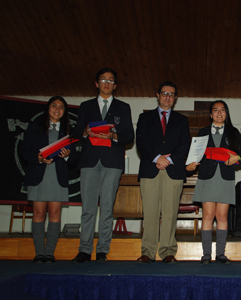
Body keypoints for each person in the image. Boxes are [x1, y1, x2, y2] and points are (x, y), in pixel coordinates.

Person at [72, 68, 134, 263]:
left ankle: (102, 251)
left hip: (112, 162)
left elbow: (129, 136)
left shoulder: (123, 107)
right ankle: (84, 250)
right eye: (103, 79)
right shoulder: (85, 106)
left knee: (107, 208)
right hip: (89, 161)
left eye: (110, 80)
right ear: (96, 83)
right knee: (88, 208)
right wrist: (85, 131)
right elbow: (74, 133)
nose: (106, 83)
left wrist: (113, 135)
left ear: (115, 85)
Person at [186, 100, 241, 264]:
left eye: (223, 110)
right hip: (207, 176)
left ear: (226, 113)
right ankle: (206, 254)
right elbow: (194, 153)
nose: (219, 113)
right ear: (210, 114)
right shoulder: (202, 132)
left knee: (222, 216)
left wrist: (238, 157)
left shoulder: (233, 132)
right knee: (208, 215)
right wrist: (191, 163)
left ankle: (220, 254)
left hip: (225, 177)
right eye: (215, 110)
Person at [136, 81, 191, 264]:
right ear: (157, 95)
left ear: (175, 99)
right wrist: (157, 158)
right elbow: (142, 143)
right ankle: (148, 252)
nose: (167, 96)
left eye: (171, 94)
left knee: (170, 213)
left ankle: (168, 251)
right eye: (164, 93)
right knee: (150, 213)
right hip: (150, 169)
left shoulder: (182, 120)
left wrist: (168, 159)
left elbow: (185, 145)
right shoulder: (145, 118)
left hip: (173, 171)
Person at [21, 96, 75, 263]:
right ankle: (39, 253)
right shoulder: (35, 127)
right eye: (54, 106)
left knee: (54, 214)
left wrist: (67, 156)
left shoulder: (67, 131)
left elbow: (74, 160)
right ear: (48, 108)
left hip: (57, 178)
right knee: (38, 213)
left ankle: (49, 253)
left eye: (61, 107)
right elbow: (25, 152)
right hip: (39, 176)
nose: (57, 109)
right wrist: (38, 158)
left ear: (64, 112)